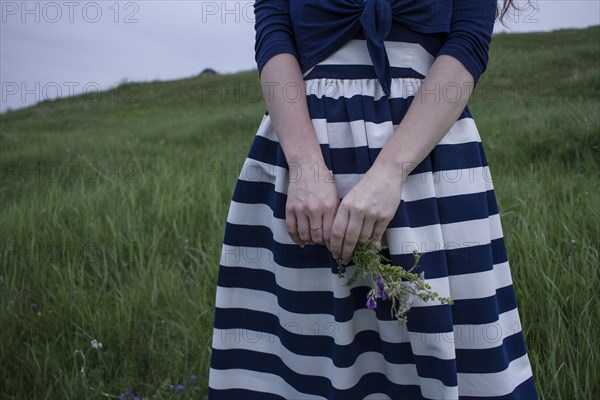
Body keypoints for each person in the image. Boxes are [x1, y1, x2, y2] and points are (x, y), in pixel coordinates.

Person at [208, 0, 539, 398]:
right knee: (305, 353)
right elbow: (274, 27)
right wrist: (306, 168)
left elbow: (468, 40)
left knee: (442, 341)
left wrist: (390, 173)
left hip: (427, 161)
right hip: (304, 160)